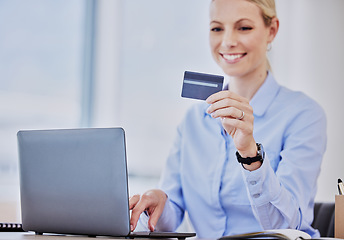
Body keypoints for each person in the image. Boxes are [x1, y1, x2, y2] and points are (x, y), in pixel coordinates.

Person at [129, 0, 327, 238]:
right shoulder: (193, 120)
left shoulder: (303, 115)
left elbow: (286, 226)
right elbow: (173, 211)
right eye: (217, 28)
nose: (228, 41)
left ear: (271, 30)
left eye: (244, 28)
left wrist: (250, 155)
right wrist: (158, 203)